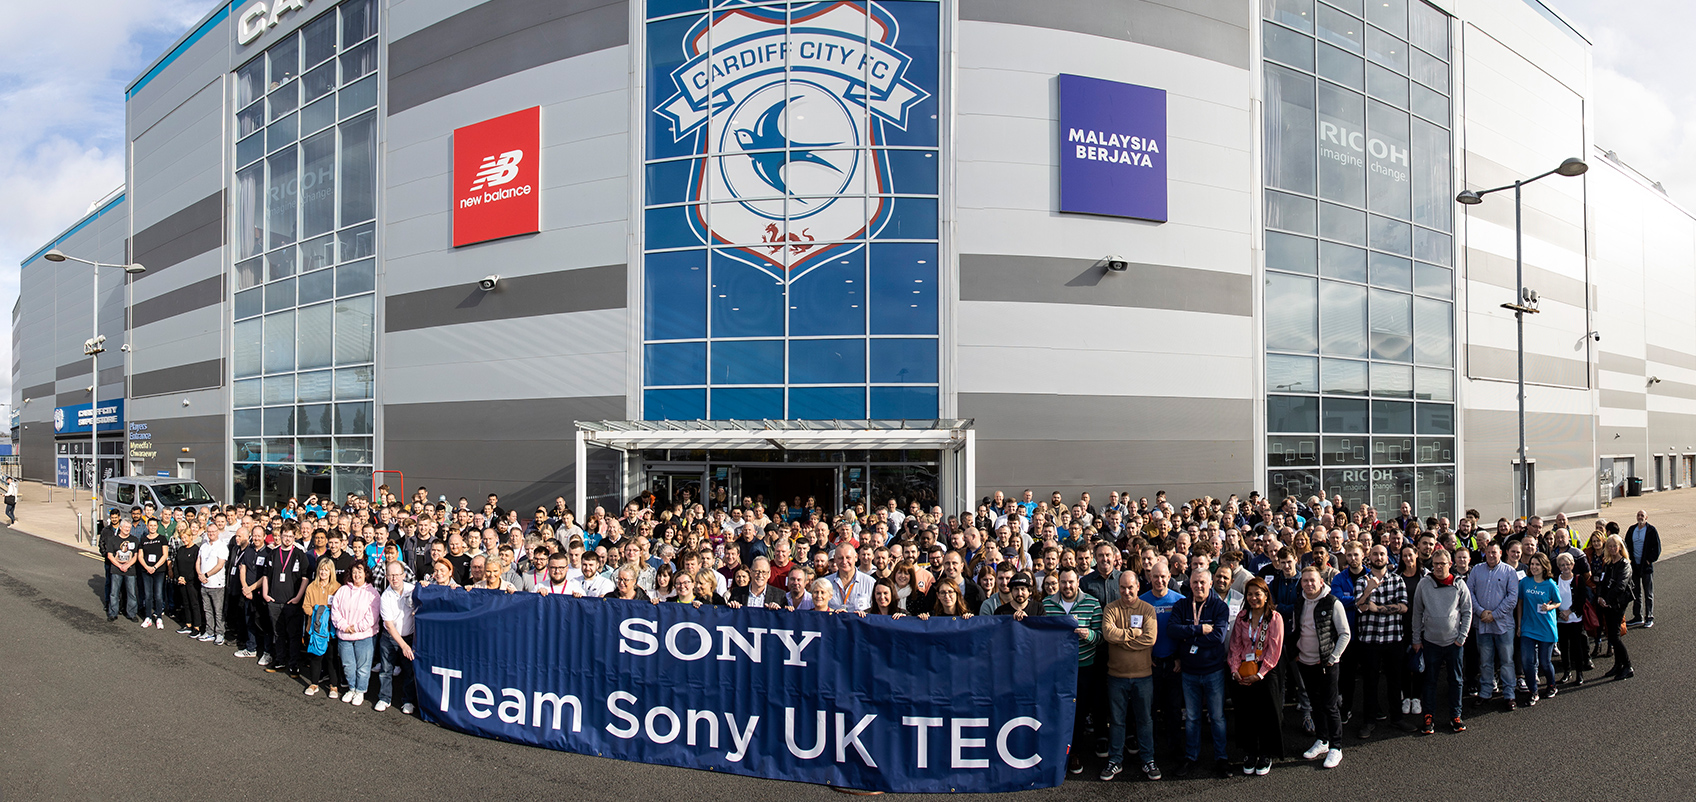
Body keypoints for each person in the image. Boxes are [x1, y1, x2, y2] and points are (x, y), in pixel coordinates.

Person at [1168, 565, 1231, 778]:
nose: (1198, 586)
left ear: (1210, 583)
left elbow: (1219, 637)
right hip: (1189, 671)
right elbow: (1172, 630)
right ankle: (1191, 757)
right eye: (1194, 582)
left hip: (1213, 670)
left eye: (1202, 582)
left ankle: (1221, 758)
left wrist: (1189, 639)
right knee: (1193, 717)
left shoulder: (1219, 607)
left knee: (1218, 717)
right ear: (1190, 584)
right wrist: (1198, 630)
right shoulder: (1182, 605)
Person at [1099, 571, 1159, 782]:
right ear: (1118, 588)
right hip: (1116, 676)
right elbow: (1107, 634)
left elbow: (1150, 639)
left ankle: (1148, 759)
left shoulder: (1147, 609)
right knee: (1117, 721)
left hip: (1143, 676)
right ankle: (1115, 760)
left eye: (1130, 587)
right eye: (1123, 587)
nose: (1126, 591)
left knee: (1145, 720)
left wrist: (1121, 639)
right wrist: (1133, 634)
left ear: (1137, 587)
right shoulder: (1111, 608)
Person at [1293, 566, 1350, 769]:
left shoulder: (1332, 602)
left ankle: (1336, 747)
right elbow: (1296, 629)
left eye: (1312, 580)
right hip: (1305, 662)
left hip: (1326, 663)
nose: (1309, 584)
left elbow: (1345, 633)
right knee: (1315, 703)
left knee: (1330, 705)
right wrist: (1296, 654)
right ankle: (1322, 740)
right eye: (1305, 580)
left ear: (1321, 581)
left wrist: (1333, 657)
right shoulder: (1299, 601)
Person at [1225, 578, 1283, 776]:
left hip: (1265, 672)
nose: (1253, 598)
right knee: (1246, 715)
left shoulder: (1274, 618)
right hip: (1244, 670)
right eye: (1250, 594)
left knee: (1266, 714)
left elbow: (1274, 650)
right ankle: (1250, 752)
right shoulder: (1242, 617)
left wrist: (1260, 673)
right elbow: (1235, 645)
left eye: (1258, 594)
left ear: (1266, 595)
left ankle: (1266, 753)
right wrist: (1234, 669)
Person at [1412, 549, 1473, 734]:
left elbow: (1467, 611)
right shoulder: (1424, 584)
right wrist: (1416, 639)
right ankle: (1428, 716)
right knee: (1430, 681)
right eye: (1436, 564)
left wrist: (1462, 637)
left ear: (1450, 564)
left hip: (1454, 643)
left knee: (1456, 680)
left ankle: (1455, 715)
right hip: (1430, 642)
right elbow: (1417, 613)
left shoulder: (1459, 584)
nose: (1438, 567)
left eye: (1442, 564)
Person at [1352, 544, 1407, 738]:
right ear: (1369, 556)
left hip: (1393, 639)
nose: (1378, 557)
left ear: (1387, 557)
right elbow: (1360, 607)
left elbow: (1403, 607)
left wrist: (1377, 608)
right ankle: (1369, 721)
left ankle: (1397, 718)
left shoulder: (1397, 580)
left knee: (1395, 680)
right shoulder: (1362, 581)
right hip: (1370, 640)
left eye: (1382, 553)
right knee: (1370, 682)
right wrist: (1368, 592)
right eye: (1375, 554)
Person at [1467, 542, 1519, 710]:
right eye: (1488, 552)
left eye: (1494, 552)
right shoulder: (1476, 570)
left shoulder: (1509, 571)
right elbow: (1469, 593)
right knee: (1485, 661)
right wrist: (1481, 612)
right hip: (1482, 624)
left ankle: (1509, 694)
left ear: (1500, 553)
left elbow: (1512, 598)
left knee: (1506, 661)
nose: (1491, 555)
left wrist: (1494, 615)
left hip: (1503, 625)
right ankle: (1486, 692)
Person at [260, 525, 311, 676]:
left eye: (290, 536)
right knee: (278, 633)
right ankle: (280, 659)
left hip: (292, 602)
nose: (287, 539)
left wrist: (298, 597)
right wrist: (265, 594)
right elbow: (265, 575)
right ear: (280, 536)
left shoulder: (299, 554)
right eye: (285, 535)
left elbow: (305, 578)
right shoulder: (273, 554)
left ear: (294, 537)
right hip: (274, 600)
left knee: (294, 635)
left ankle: (293, 664)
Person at [330, 561, 381, 707]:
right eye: (354, 572)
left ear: (366, 574)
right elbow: (335, 610)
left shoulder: (372, 593)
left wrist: (356, 628)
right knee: (348, 664)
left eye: (360, 571)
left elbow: (372, 616)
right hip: (344, 635)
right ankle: (352, 688)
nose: (357, 574)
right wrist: (344, 627)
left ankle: (360, 690)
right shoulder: (343, 590)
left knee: (363, 666)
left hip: (364, 636)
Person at [1517, 552, 1561, 704]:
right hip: (1528, 627)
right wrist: (1519, 625)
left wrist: (1550, 607)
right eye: (1532, 564)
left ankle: (1551, 684)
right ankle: (1533, 690)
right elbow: (1520, 603)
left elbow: (1558, 602)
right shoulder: (1525, 582)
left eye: (1537, 564)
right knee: (1527, 661)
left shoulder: (1550, 584)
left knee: (1544, 662)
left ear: (1544, 567)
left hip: (1546, 628)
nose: (1534, 567)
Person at [377, 560, 417, 714]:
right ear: (387, 577)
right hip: (390, 638)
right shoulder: (385, 597)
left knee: (409, 671)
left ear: (404, 575)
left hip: (409, 636)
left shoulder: (413, 590)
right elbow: (389, 625)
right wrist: (403, 646)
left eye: (397, 575)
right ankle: (384, 698)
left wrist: (408, 644)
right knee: (386, 669)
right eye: (391, 575)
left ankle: (408, 701)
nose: (394, 578)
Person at [301, 559, 343, 699]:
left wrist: (328, 616)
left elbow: (340, 608)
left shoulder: (337, 588)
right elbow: (306, 605)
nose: (323, 572)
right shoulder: (312, 587)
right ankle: (314, 683)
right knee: (315, 657)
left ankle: (334, 685)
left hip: (330, 631)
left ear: (331, 571)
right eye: (321, 569)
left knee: (331, 658)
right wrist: (317, 614)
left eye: (326, 569)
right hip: (314, 629)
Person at [1595, 534, 1635, 680]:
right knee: (1611, 634)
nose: (1612, 549)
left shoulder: (1625, 564)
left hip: (1618, 604)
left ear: (1620, 547)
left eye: (1614, 546)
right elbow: (1601, 581)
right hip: (1607, 604)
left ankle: (1628, 665)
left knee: (1614, 636)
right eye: (1609, 546)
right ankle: (1618, 665)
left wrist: (1606, 598)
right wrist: (1600, 597)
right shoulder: (1609, 564)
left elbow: (1621, 586)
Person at [1554, 551, 1589, 685]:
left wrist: (1570, 611)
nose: (1565, 567)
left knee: (1576, 646)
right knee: (1564, 646)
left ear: (1573, 565)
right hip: (1561, 619)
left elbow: (1581, 598)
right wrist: (1561, 613)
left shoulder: (1579, 579)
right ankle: (1567, 672)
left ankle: (1579, 673)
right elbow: (1552, 598)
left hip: (1574, 618)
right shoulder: (1555, 580)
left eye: (1568, 564)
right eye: (1562, 565)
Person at [1624, 510, 1660, 628]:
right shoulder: (1631, 529)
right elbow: (1626, 546)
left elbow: (1657, 548)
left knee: (1648, 592)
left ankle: (1649, 617)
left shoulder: (1651, 530)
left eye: (1642, 516)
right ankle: (1637, 617)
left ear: (1646, 517)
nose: (1640, 517)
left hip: (1646, 567)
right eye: (1638, 515)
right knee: (1636, 592)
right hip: (1634, 566)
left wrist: (1649, 560)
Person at [102, 518, 140, 622]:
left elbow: (136, 556)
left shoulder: (134, 540)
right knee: (114, 592)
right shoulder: (113, 540)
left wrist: (127, 565)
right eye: (125, 527)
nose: (127, 529)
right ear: (120, 527)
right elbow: (110, 555)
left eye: (129, 527)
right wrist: (119, 565)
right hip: (116, 570)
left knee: (131, 592)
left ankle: (131, 613)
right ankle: (113, 613)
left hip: (130, 570)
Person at [196, 528, 228, 645]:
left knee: (218, 611)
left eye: (213, 532)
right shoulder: (204, 546)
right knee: (207, 609)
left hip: (217, 584)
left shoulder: (222, 546)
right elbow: (198, 561)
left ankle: (219, 633)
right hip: (204, 583)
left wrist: (206, 574)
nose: (211, 534)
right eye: (209, 532)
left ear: (217, 532)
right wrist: (200, 574)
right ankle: (209, 631)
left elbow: (220, 565)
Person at [137, 519, 170, 629]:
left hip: (159, 571)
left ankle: (159, 617)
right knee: (148, 595)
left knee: (158, 595)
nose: (152, 527)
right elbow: (140, 556)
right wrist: (147, 567)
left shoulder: (162, 539)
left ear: (157, 526)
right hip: (146, 571)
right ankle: (148, 617)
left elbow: (165, 555)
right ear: (147, 526)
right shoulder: (143, 540)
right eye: (150, 525)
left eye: (154, 525)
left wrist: (155, 567)